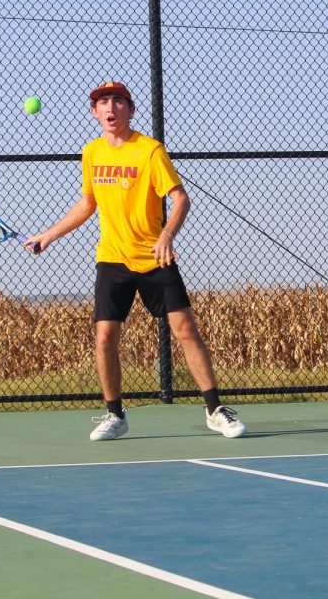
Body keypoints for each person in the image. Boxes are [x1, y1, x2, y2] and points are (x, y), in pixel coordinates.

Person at [24, 80, 246, 441]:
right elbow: (87, 204)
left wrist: (166, 235)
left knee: (185, 331)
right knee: (105, 338)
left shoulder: (150, 151)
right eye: (103, 103)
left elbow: (181, 198)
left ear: (131, 109)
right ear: (94, 112)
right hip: (112, 259)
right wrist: (48, 234)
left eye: (118, 102)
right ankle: (115, 415)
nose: (110, 108)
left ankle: (215, 410)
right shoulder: (92, 153)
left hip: (154, 257)